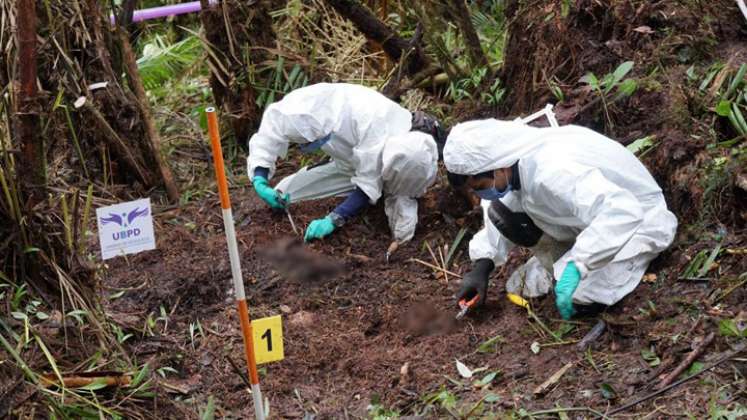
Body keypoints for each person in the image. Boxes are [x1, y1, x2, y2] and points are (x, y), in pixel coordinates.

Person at [443, 119, 678, 319]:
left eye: (481, 186)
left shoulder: (553, 170)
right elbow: (500, 209)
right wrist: (482, 267)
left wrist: (579, 264)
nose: (481, 194)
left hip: (639, 220)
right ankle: (567, 262)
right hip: (594, 215)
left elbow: (622, 210)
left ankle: (589, 265)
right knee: (500, 212)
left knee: (581, 296)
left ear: (497, 168)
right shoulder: (513, 160)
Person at [247, 83, 443, 244]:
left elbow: (368, 183)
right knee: (285, 193)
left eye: (310, 143)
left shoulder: (365, 114)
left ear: (325, 129)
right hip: (350, 165)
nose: (307, 147)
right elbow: (268, 135)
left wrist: (334, 218)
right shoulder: (297, 108)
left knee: (410, 156)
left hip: (399, 163)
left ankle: (400, 198)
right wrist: (260, 180)